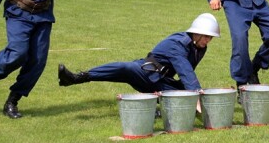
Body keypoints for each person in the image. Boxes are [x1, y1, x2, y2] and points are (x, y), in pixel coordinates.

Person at [58, 13, 220, 93]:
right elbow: (186, 72)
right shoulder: (178, 44)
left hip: (160, 80)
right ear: (196, 33)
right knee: (124, 68)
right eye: (206, 36)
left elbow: (186, 75)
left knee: (179, 94)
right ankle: (77, 78)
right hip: (146, 72)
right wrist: (197, 94)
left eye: (210, 38)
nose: (207, 41)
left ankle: (159, 102)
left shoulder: (199, 47)